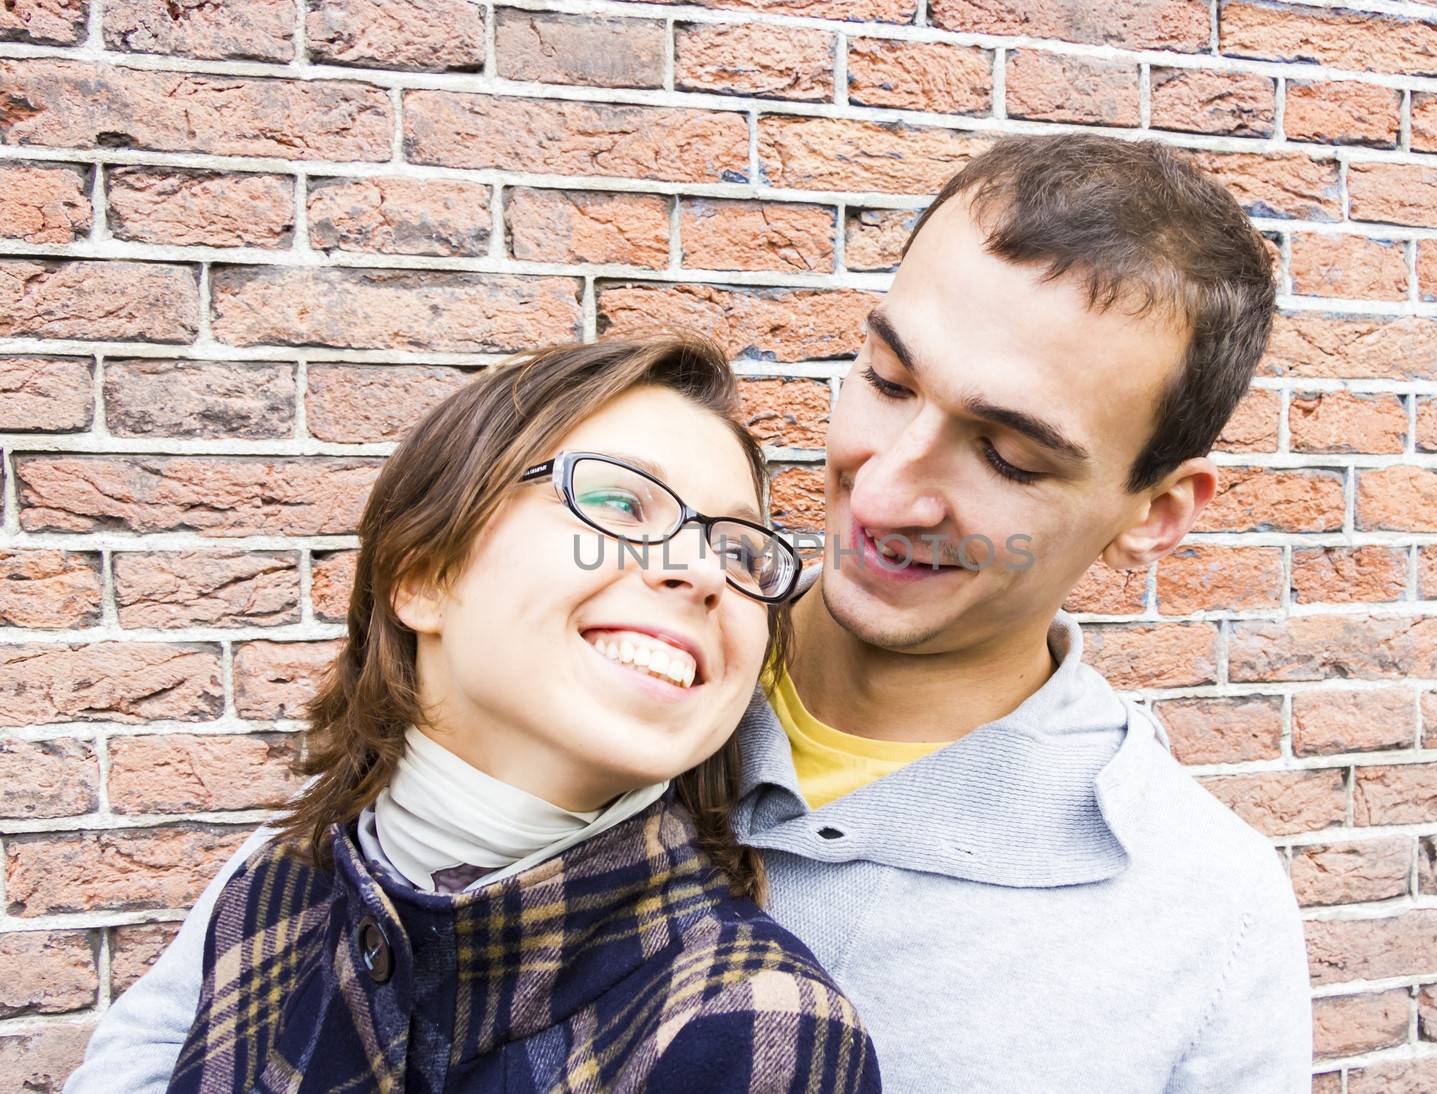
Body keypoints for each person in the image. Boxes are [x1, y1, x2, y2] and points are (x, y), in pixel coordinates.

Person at [72, 133, 1311, 1093]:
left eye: (1008, 456)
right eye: (883, 379)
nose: (881, 489)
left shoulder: (1198, 912)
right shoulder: (591, 681)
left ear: (1156, 510)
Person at [87, 337, 880, 1093]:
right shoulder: (273, 886)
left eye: (742, 551)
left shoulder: (751, 1029)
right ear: (424, 575)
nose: (703, 570)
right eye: (618, 500)